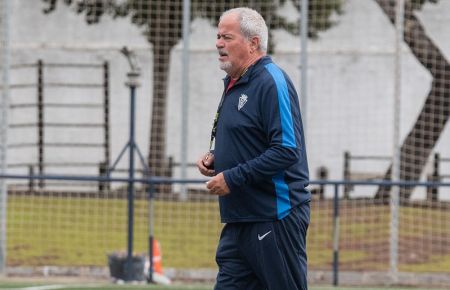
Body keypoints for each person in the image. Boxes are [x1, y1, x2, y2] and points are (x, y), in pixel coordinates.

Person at [196, 7, 311, 290]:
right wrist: (216, 158)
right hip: (239, 221)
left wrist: (232, 177)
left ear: (253, 43)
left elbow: (286, 149)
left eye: (227, 37)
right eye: (218, 36)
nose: (218, 43)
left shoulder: (272, 81)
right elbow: (247, 139)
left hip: (274, 218)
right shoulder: (234, 83)